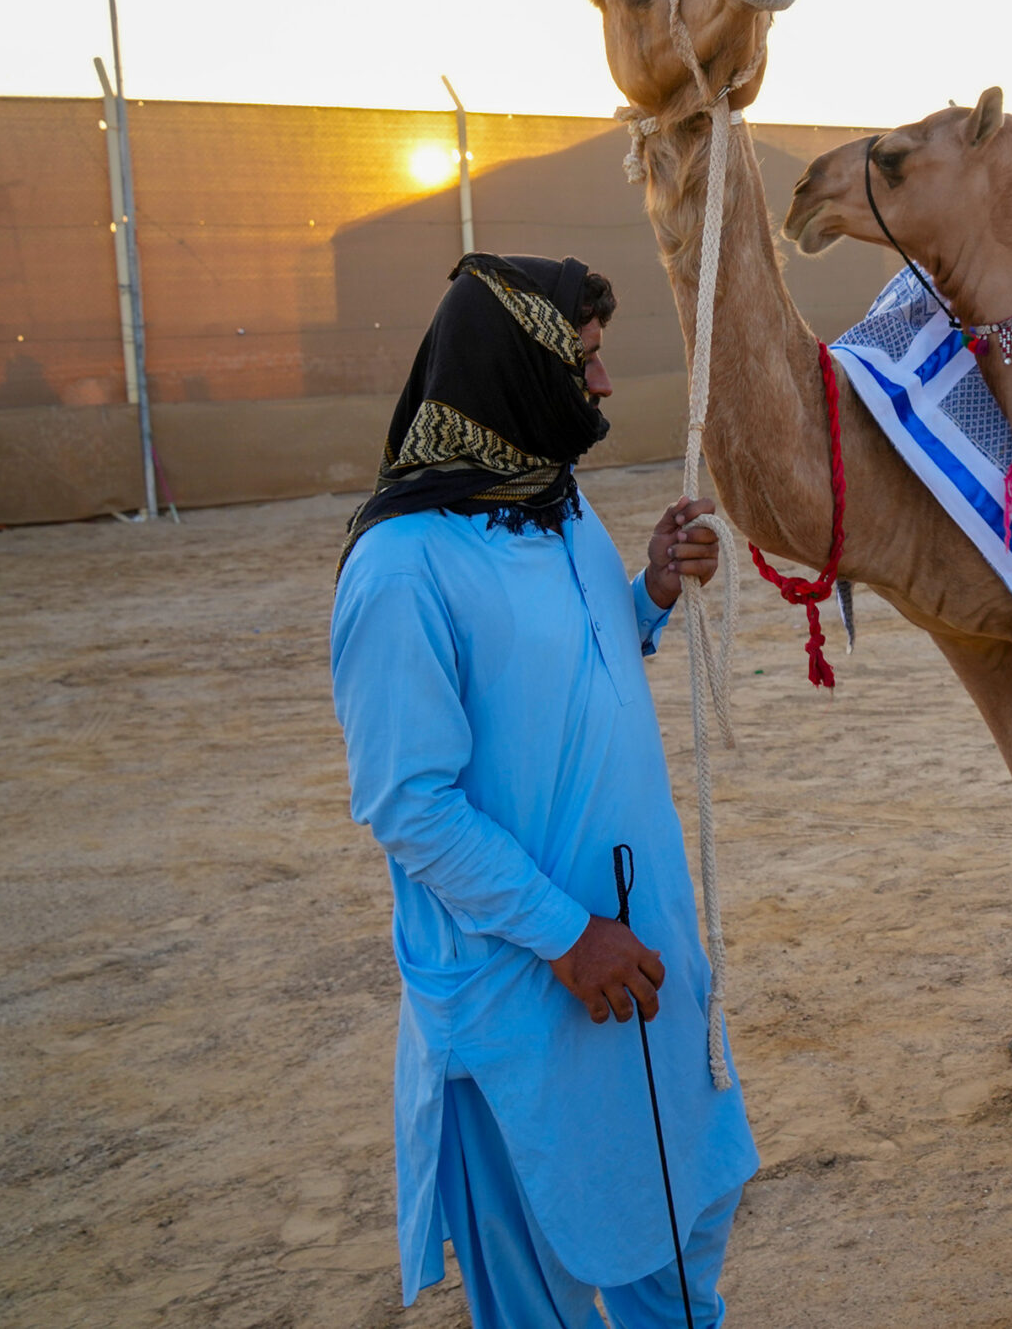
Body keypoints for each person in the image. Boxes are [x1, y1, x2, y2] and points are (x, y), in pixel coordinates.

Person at [332, 254, 756, 1326]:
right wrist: (568, 937)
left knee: (679, 1220)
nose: (602, 385)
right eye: (583, 361)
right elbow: (410, 804)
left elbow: (571, 669)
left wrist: (649, 590)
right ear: (514, 373)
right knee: (542, 1287)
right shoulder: (400, 568)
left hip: (640, 950)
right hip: (526, 985)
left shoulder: (557, 507)